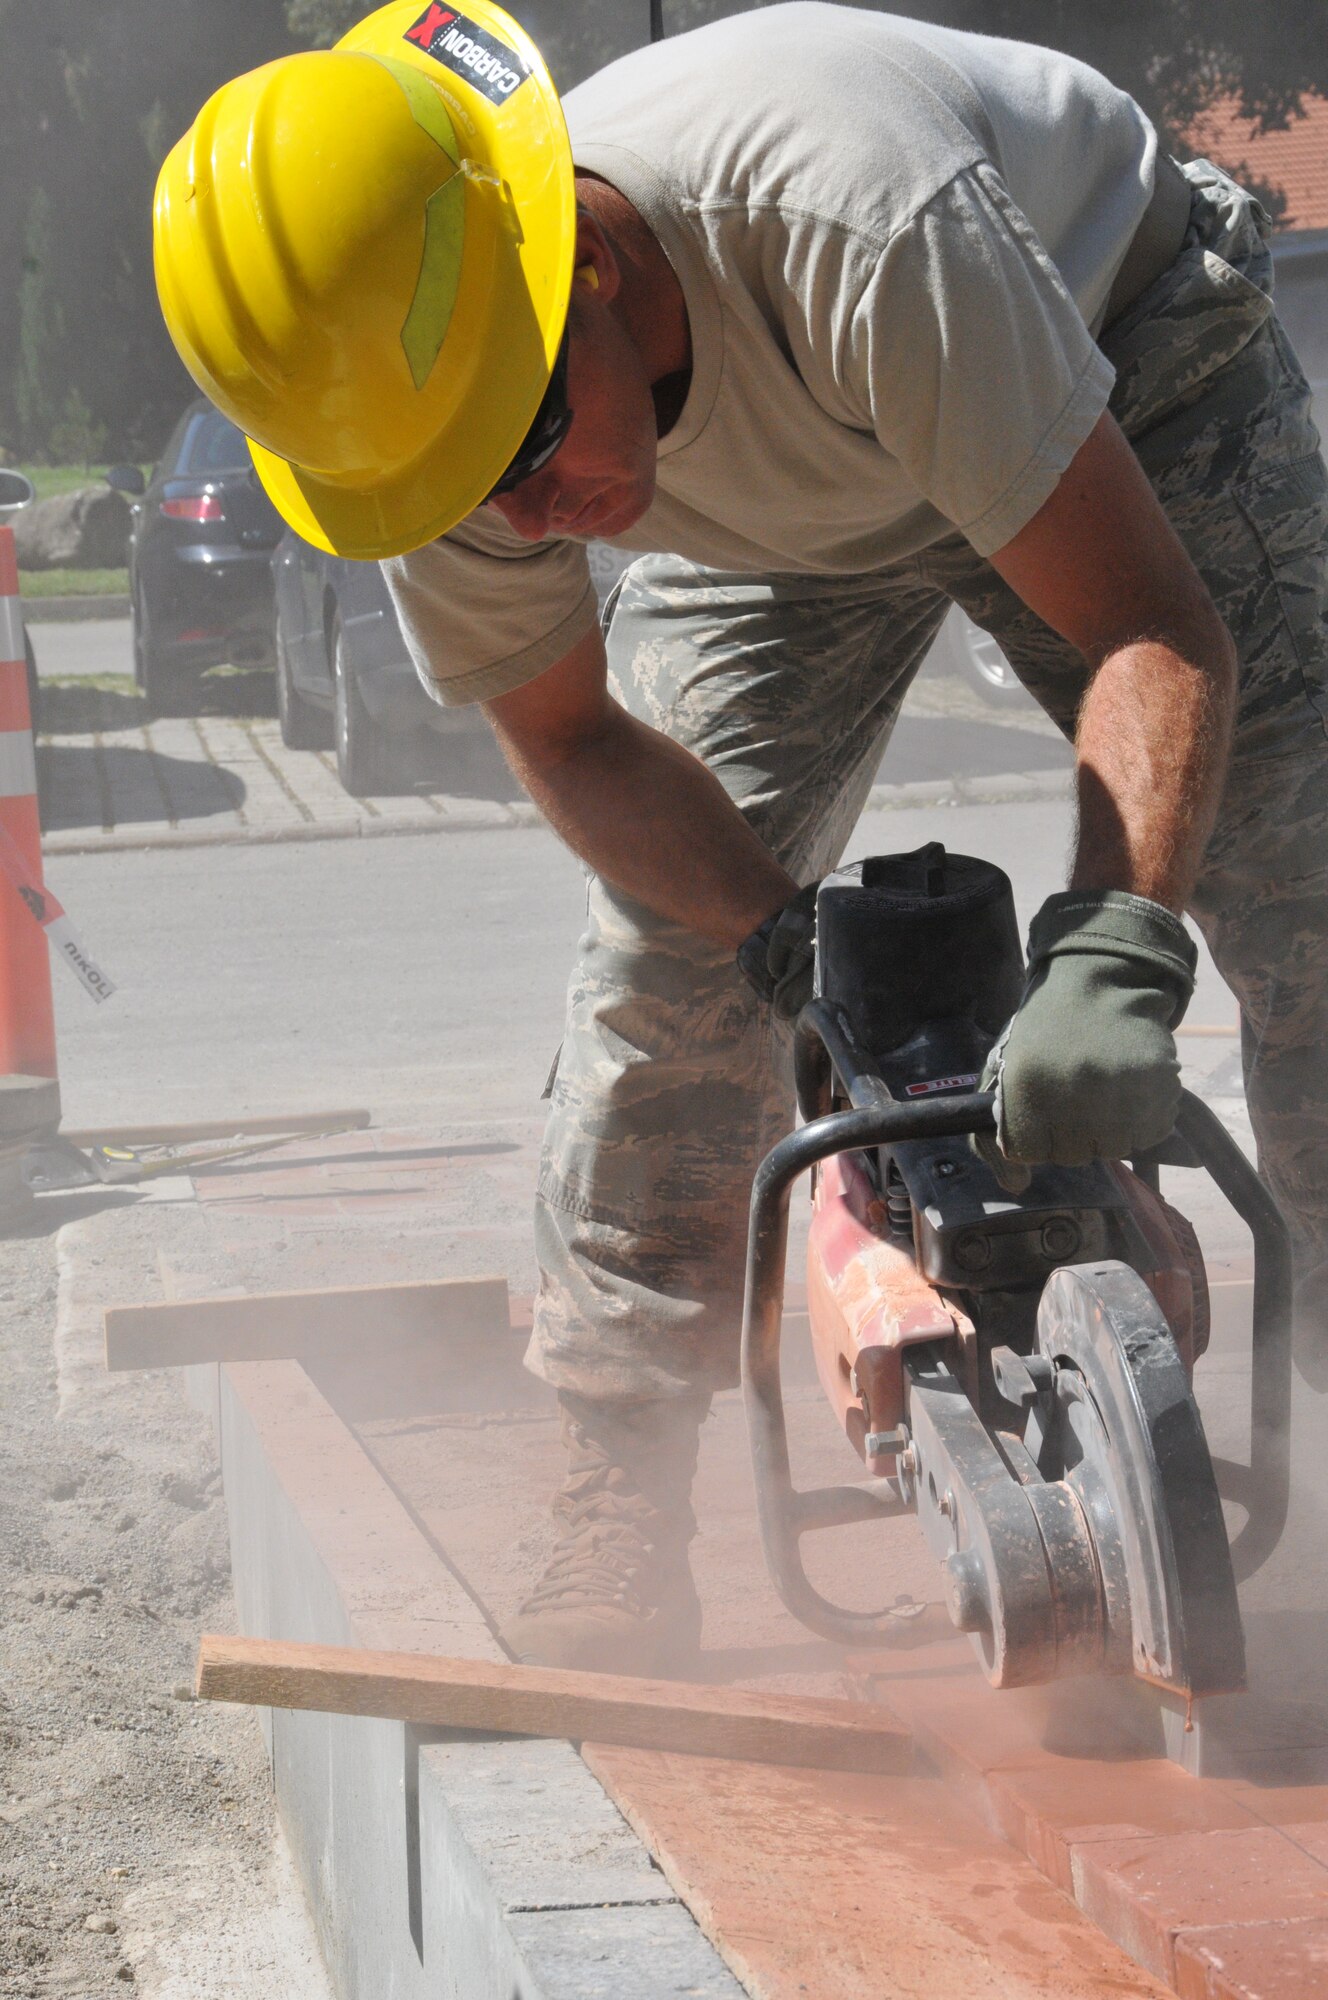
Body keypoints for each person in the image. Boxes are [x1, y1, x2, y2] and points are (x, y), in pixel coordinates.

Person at [155, 1, 1328, 1676]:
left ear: (594, 267)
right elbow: (574, 740)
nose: (519, 517)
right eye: (453, 491)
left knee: (1310, 873)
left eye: (523, 440)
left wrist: (1110, 951)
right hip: (780, 501)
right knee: (663, 967)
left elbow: (1157, 626)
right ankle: (616, 1481)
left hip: (1102, 344)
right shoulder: (433, 410)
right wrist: (776, 946)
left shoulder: (854, 214)